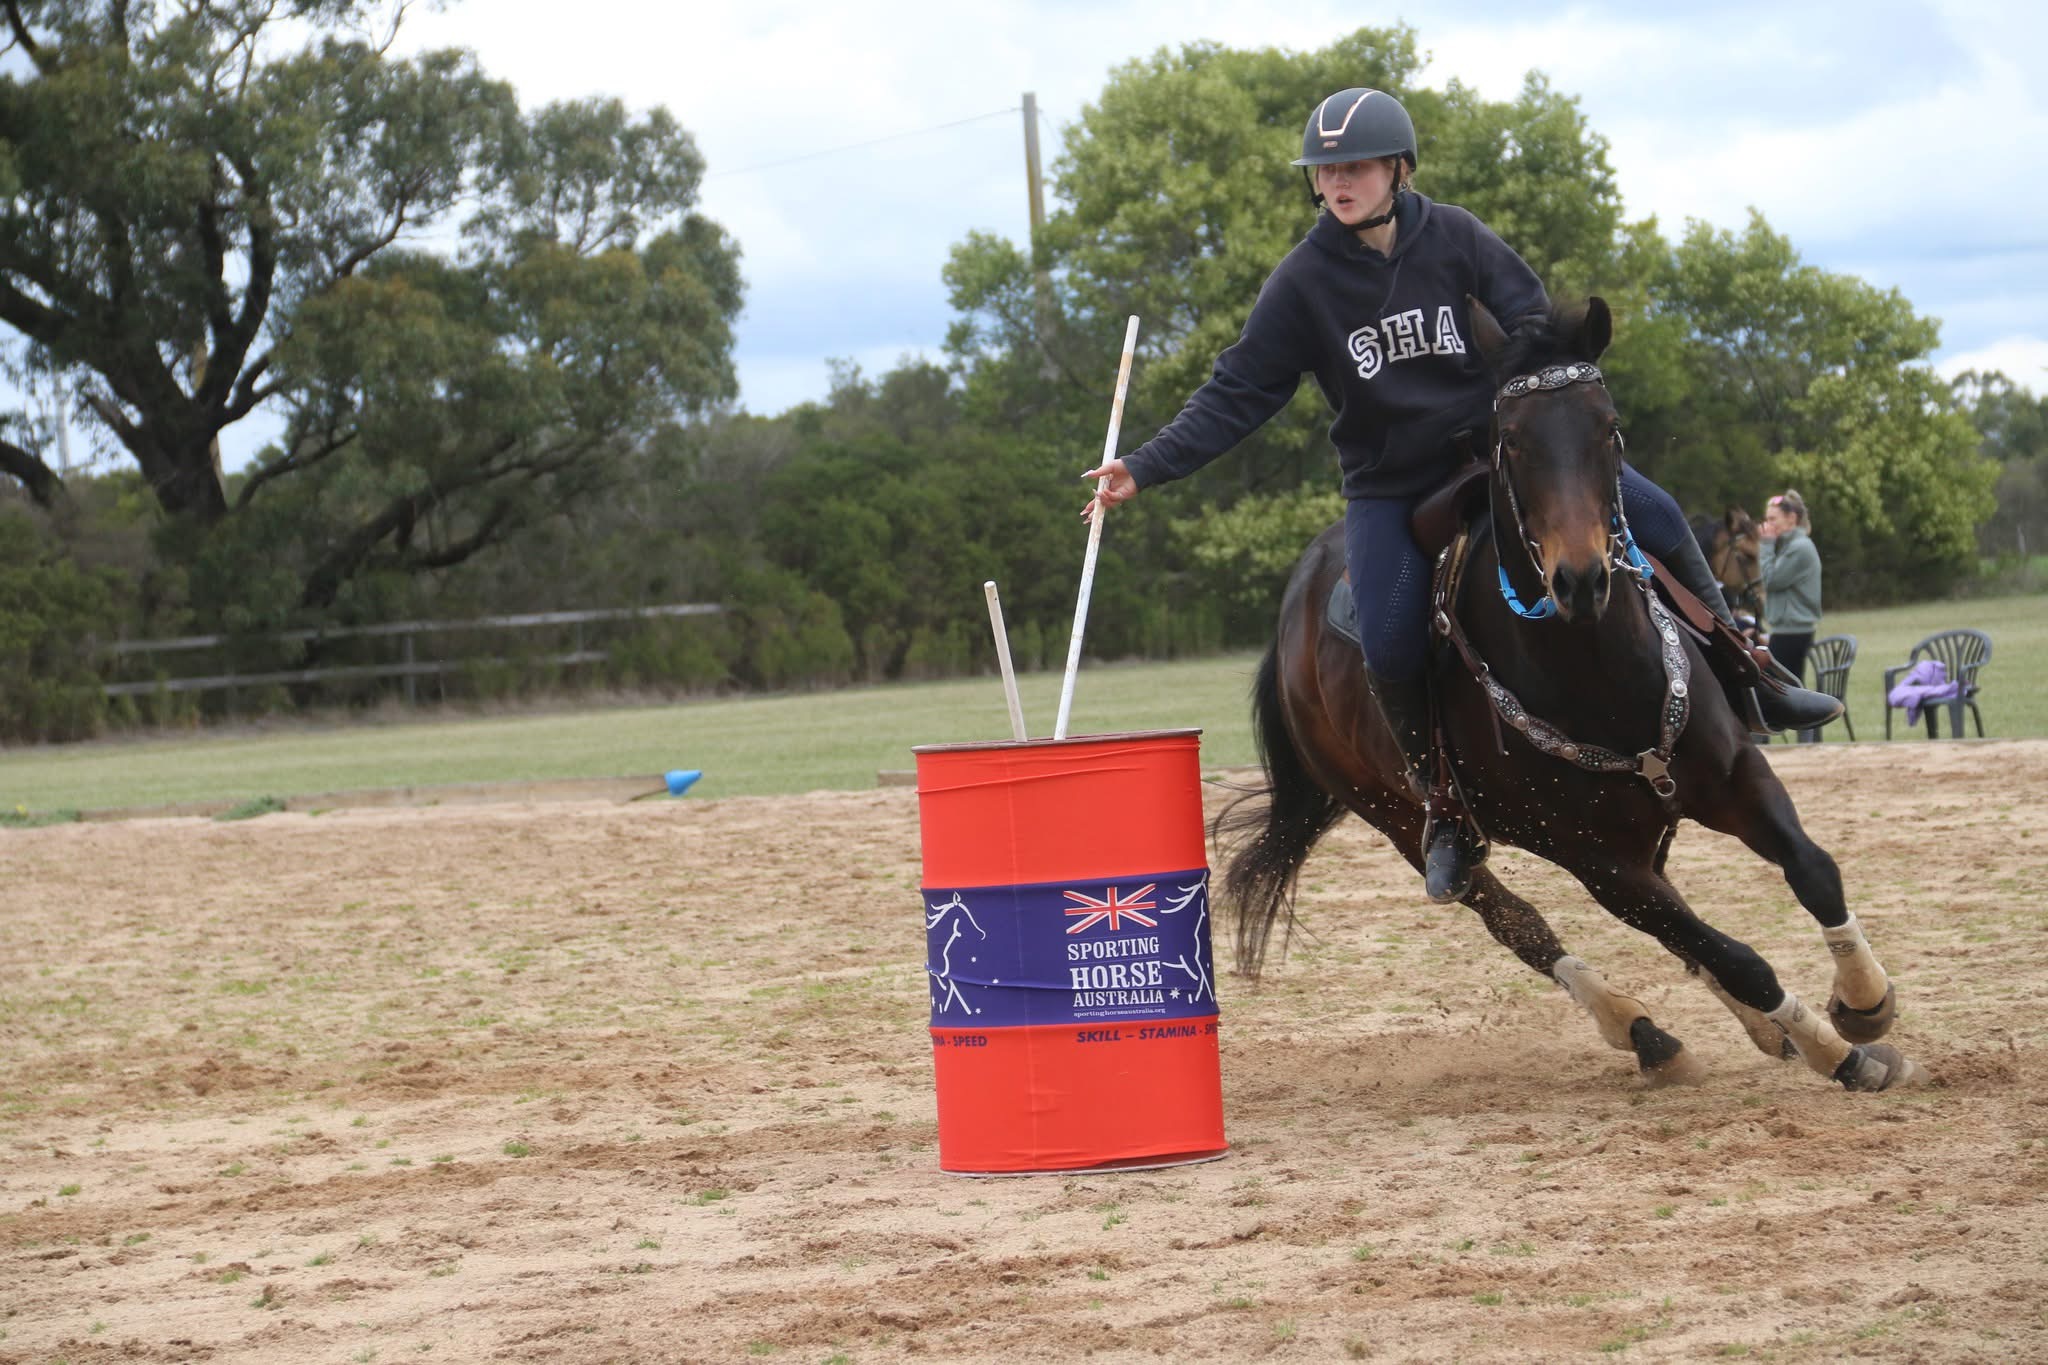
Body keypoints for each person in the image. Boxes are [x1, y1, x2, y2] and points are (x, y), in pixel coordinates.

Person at [1082, 87, 1842, 899]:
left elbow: (1534, 326)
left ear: (1398, 169)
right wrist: (1146, 464)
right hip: (1390, 487)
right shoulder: (1302, 283)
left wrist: (1549, 405)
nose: (1339, 182)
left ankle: (1746, 670)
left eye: (1357, 167)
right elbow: (1237, 391)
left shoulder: (1458, 236)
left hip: (1498, 456)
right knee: (1388, 635)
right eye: (1326, 170)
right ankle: (1444, 805)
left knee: (1651, 511)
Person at [1758, 490, 1824, 740]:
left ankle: (1781, 743)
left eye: (1773, 519)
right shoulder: (1791, 547)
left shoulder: (1799, 548)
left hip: (1793, 630)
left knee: (1777, 690)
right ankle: (1803, 742)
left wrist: (1765, 546)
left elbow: (1772, 580)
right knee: (1788, 687)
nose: (1767, 525)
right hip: (1788, 628)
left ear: (1791, 519)